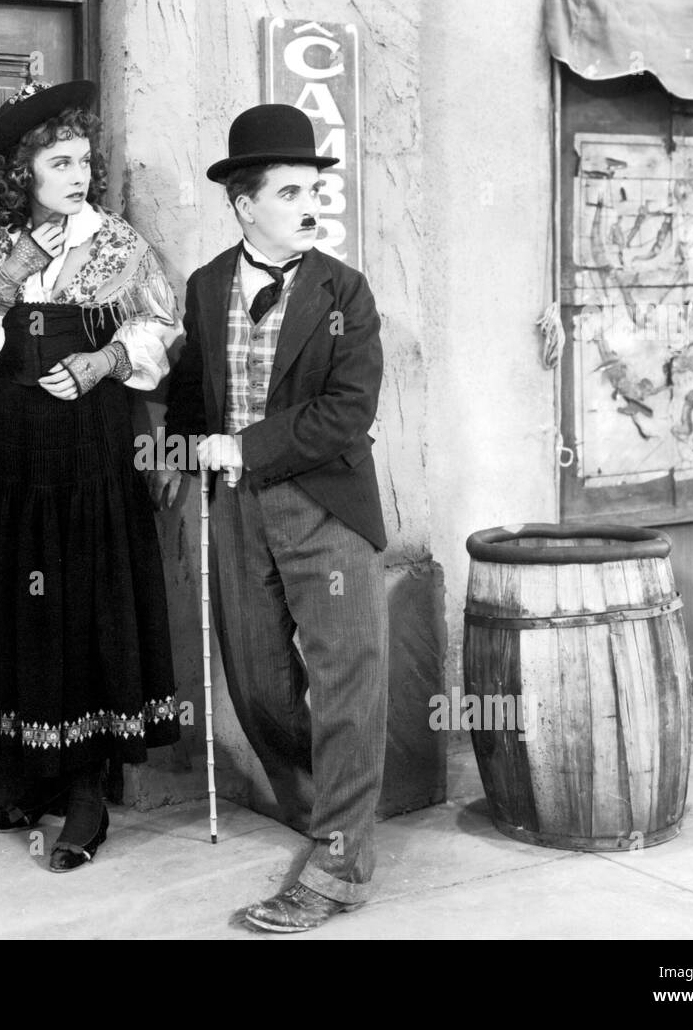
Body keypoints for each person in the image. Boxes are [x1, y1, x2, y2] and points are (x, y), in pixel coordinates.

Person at [0, 78, 182, 872]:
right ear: (21, 173)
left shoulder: (116, 242)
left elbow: (164, 327)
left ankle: (85, 792)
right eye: (61, 162)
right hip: (10, 450)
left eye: (84, 161)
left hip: (91, 452)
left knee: (83, 599)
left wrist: (106, 358)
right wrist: (16, 269)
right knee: (18, 598)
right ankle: (33, 773)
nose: (79, 175)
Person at [161, 104, 389, 931]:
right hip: (238, 512)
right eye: (289, 189)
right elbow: (191, 404)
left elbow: (347, 412)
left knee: (347, 684)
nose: (309, 203)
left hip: (327, 504)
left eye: (314, 188)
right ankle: (320, 805)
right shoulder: (206, 285)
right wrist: (180, 434)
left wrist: (244, 445)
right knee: (256, 681)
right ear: (244, 203)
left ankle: (341, 860)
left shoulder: (345, 292)